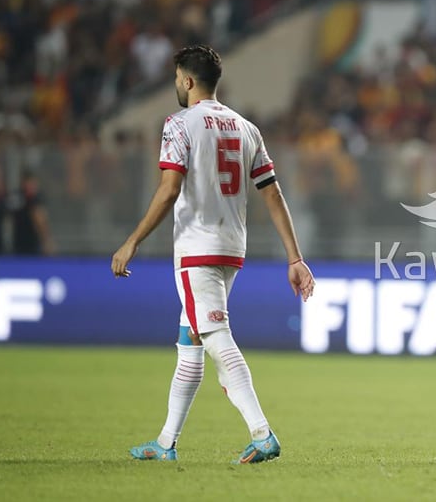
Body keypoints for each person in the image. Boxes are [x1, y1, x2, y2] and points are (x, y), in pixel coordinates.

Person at [111, 45, 316, 464]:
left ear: (186, 80)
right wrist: (295, 258)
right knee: (190, 342)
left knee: (216, 336)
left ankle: (262, 433)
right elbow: (272, 193)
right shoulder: (246, 128)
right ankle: (166, 443)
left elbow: (169, 190)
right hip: (231, 248)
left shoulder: (179, 124)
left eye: (176, 78)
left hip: (195, 248)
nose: (175, 85)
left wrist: (132, 240)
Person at [9, 170, 55, 255]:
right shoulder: (16, 196)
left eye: (34, 183)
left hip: (34, 243)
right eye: (29, 183)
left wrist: (47, 241)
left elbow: (42, 221)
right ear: (23, 183)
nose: (32, 186)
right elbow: (9, 215)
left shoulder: (38, 198)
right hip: (19, 242)